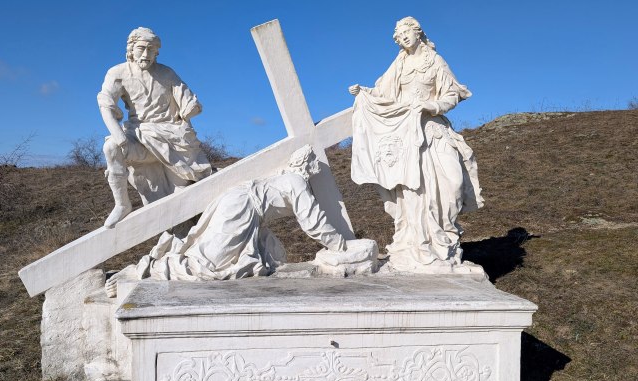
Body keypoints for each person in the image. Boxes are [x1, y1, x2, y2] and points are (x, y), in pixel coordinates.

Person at [349, 17, 484, 273]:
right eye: (398, 37)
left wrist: (432, 106)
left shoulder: (435, 60)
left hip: (433, 130)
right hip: (407, 134)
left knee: (452, 183)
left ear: (417, 31)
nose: (402, 38)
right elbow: (383, 92)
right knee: (414, 190)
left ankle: (444, 239)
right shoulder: (399, 64)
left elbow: (452, 94)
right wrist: (364, 93)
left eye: (404, 32)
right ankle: (416, 244)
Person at [134, 145, 347, 281]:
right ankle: (152, 268)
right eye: (313, 165)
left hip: (247, 210)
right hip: (242, 207)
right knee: (209, 264)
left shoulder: (285, 178)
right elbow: (313, 222)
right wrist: (340, 245)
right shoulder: (296, 181)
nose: (315, 170)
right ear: (305, 165)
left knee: (275, 256)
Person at [98, 27, 212, 228]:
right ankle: (122, 204)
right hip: (139, 137)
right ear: (131, 49)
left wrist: (189, 108)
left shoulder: (166, 73)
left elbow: (187, 98)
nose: (146, 54)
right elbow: (105, 104)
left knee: (183, 204)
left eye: (152, 50)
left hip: (173, 140)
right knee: (111, 147)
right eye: (142, 48)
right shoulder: (117, 73)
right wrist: (120, 137)